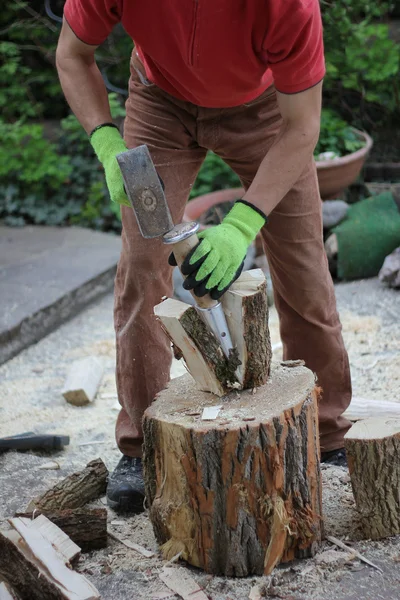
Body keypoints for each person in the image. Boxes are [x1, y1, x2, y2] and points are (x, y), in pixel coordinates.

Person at [56, 0, 352, 513]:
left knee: (304, 270)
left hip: (266, 111)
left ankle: (325, 432)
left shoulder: (287, 6)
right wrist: (105, 138)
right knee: (142, 270)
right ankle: (144, 445)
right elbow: (72, 55)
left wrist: (241, 225)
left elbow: (302, 126)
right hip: (159, 101)